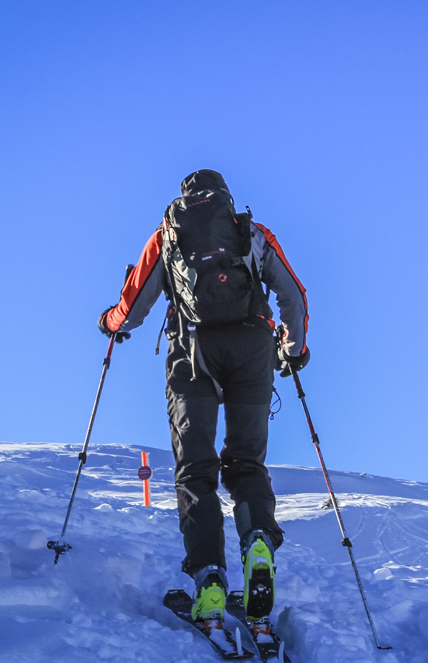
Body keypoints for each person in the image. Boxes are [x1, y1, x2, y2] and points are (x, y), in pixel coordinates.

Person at [97, 169, 309, 626]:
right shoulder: (250, 231)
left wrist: (110, 323)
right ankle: (256, 542)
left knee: (196, 468)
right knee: (246, 462)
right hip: (253, 348)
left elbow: (133, 308)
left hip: (191, 353)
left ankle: (210, 580)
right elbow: (294, 293)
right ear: (227, 198)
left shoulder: (169, 234)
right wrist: (294, 350)